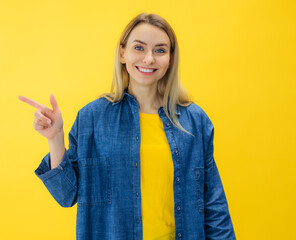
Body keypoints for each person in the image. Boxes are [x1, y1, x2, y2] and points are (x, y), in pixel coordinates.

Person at [19, 12, 236, 240]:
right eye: (139, 48)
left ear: (170, 59)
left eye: (160, 50)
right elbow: (66, 195)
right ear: (123, 53)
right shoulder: (92, 118)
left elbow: (214, 205)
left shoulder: (195, 121)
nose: (149, 59)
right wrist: (55, 137)